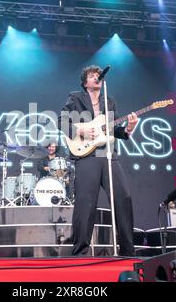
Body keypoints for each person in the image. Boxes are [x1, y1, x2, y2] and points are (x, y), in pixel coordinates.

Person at [58, 65, 138, 256]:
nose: (97, 78)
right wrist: (81, 130)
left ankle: (128, 250)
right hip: (87, 155)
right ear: (85, 82)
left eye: (98, 75)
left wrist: (128, 128)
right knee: (86, 203)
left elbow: (114, 130)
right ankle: (81, 251)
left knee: (123, 198)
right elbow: (61, 121)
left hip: (108, 154)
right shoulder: (76, 97)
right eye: (92, 76)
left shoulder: (109, 101)